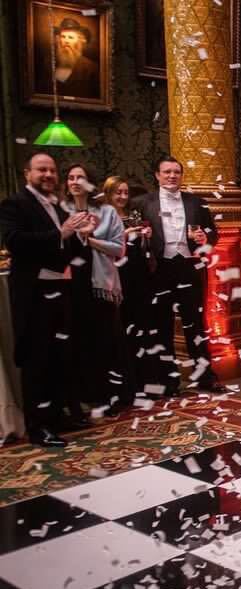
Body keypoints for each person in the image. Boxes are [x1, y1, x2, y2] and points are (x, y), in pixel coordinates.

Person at [0, 152, 94, 446]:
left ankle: (55, 415)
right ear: (27, 173)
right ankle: (37, 426)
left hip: (61, 290)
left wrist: (80, 236)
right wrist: (61, 232)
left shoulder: (58, 206)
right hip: (33, 292)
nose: (49, 175)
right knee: (36, 358)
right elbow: (14, 241)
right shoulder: (15, 204)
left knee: (59, 355)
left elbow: (71, 250)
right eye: (42, 170)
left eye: (53, 170)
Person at [133, 156, 225, 394]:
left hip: (189, 266)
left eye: (176, 172)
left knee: (196, 324)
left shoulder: (197, 202)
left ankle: (206, 377)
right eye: (167, 172)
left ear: (182, 176)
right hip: (159, 268)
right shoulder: (142, 203)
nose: (172, 176)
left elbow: (213, 234)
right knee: (161, 325)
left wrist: (206, 240)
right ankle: (168, 382)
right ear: (157, 175)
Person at [60, 165, 130, 414]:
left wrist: (88, 240)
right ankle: (83, 396)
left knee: (105, 342)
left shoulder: (107, 212)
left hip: (101, 284)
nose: (75, 181)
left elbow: (118, 249)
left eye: (81, 177)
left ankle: (109, 396)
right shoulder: (61, 211)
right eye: (70, 177)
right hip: (70, 284)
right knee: (79, 343)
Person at [104, 176, 157, 395]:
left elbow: (143, 248)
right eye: (118, 192)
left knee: (141, 326)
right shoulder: (104, 217)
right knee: (121, 329)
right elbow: (105, 249)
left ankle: (144, 382)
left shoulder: (134, 215)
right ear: (109, 193)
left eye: (126, 192)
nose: (123, 197)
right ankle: (125, 386)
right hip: (117, 274)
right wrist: (125, 236)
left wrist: (147, 236)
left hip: (138, 273)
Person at [51, 18, 98, 99]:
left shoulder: (91, 68)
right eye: (63, 36)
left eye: (71, 37)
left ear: (79, 41)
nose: (66, 41)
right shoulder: (48, 62)